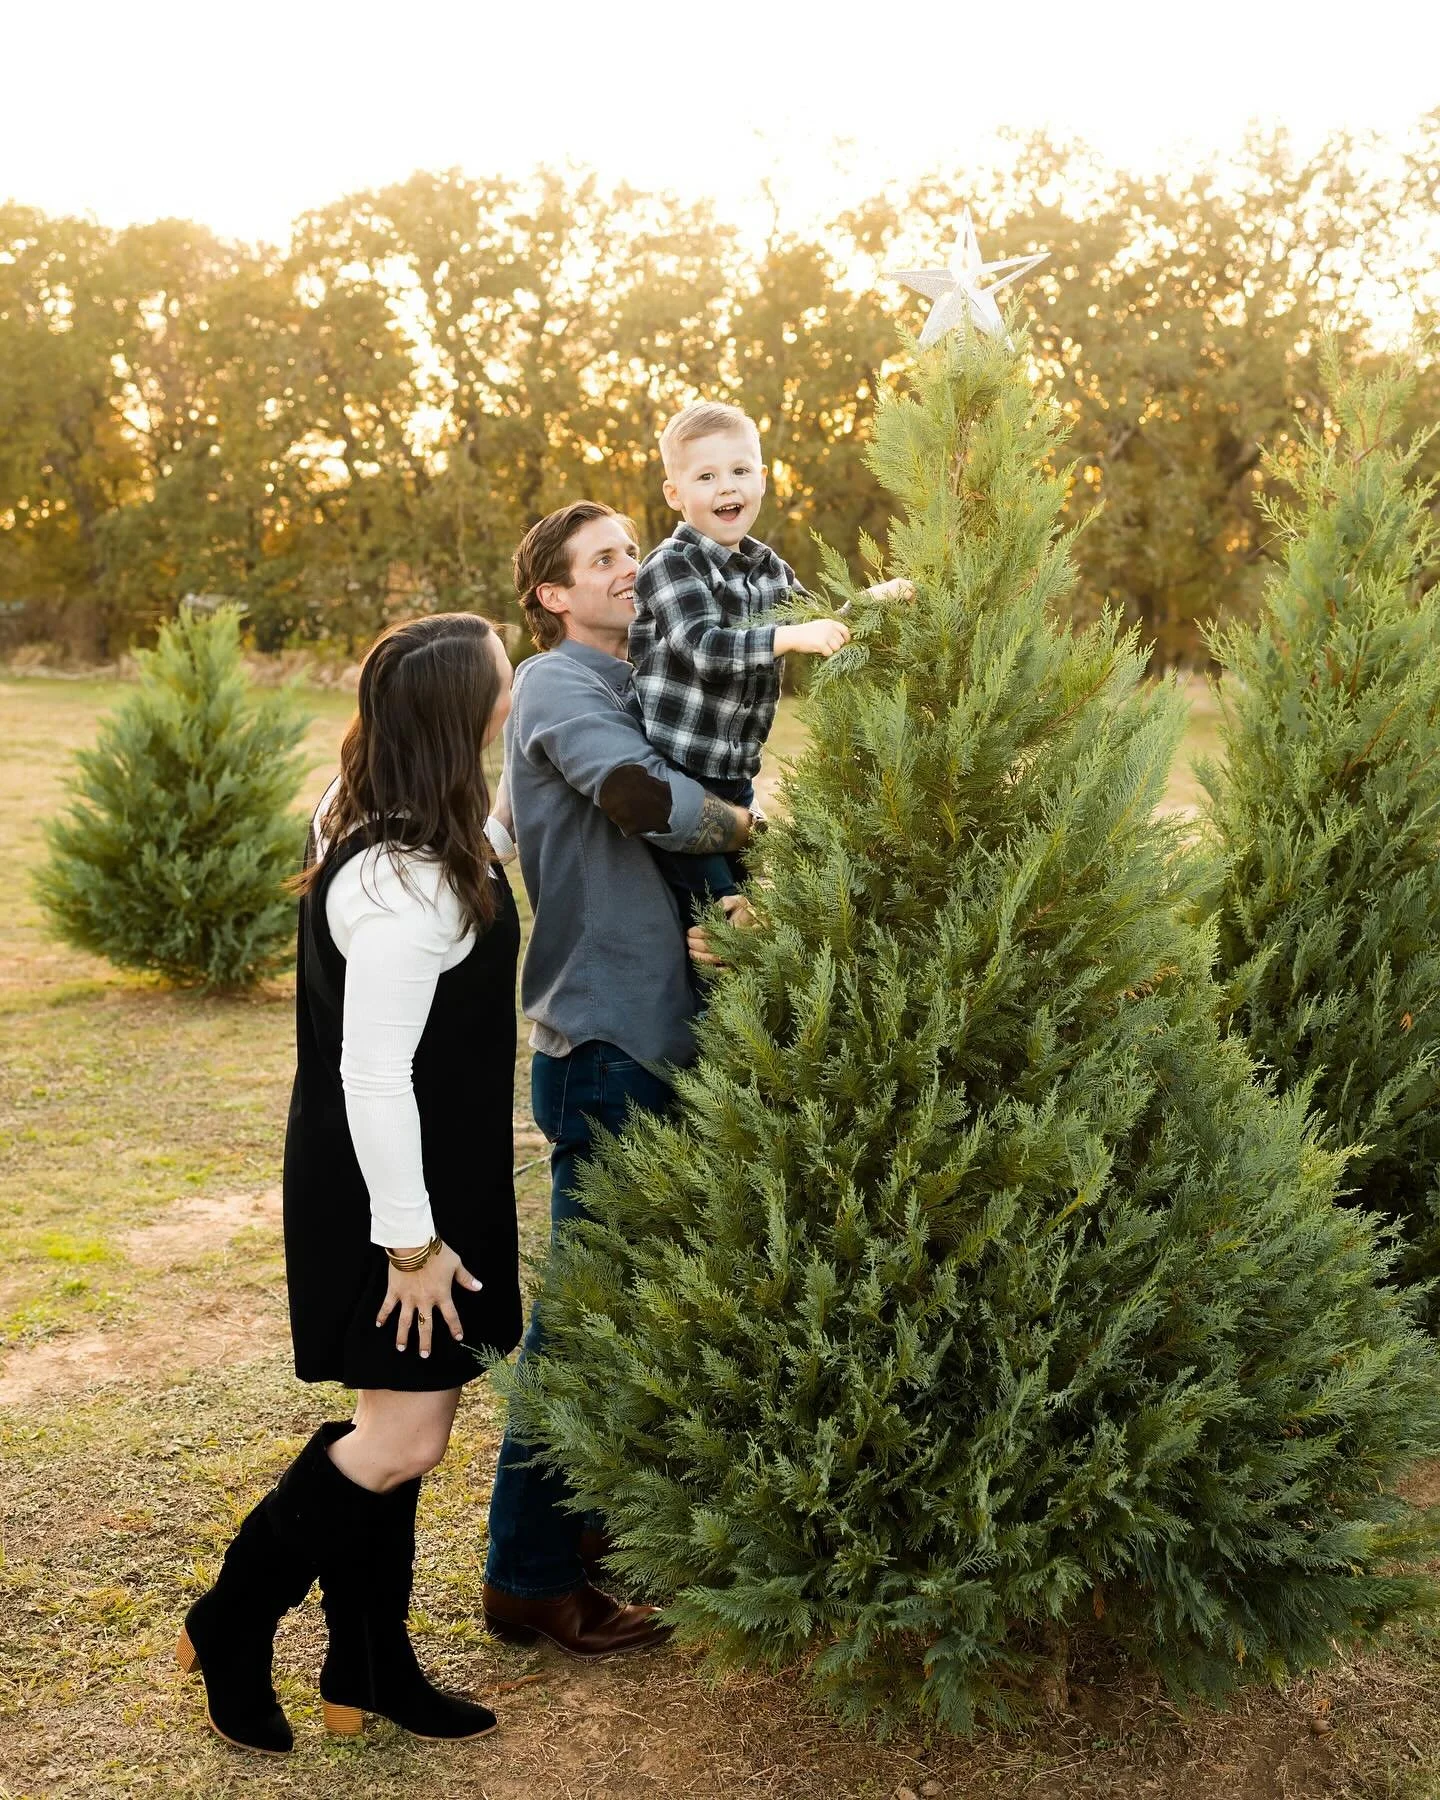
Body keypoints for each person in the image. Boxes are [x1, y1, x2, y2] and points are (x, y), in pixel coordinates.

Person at [177, 613, 523, 1754]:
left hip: (428, 1179)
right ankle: (233, 1618)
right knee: (403, 1440)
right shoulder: (406, 883)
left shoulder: (399, 824)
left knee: (396, 1420)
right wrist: (412, 1247)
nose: (510, 690)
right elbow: (371, 1073)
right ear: (458, 718)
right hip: (393, 1196)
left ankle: (367, 1667)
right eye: (498, 681)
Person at [480, 501, 752, 1656]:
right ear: (552, 593)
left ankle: (586, 1539)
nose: (631, 570)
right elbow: (641, 800)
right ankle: (529, 1578)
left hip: (665, 1039)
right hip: (606, 1049)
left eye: (635, 552)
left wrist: (737, 903)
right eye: (603, 560)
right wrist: (745, 816)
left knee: (640, 1311)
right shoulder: (556, 687)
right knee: (585, 1327)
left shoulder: (649, 679)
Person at [627, 400, 853, 919]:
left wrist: (865, 609)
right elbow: (703, 646)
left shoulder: (770, 569)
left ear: (764, 479)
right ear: (675, 493)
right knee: (724, 919)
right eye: (705, 476)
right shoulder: (669, 565)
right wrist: (791, 636)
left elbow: (818, 624)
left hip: (736, 777)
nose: (727, 487)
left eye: (740, 471)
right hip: (676, 779)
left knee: (747, 913)